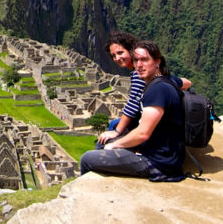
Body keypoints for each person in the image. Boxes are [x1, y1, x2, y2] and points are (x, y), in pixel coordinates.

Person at [79, 40, 185, 180]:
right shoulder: (163, 82)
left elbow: (142, 134)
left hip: (157, 162)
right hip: (161, 153)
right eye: (136, 61)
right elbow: (186, 82)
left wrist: (115, 144)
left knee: (87, 159)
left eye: (144, 60)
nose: (139, 65)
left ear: (157, 61)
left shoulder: (157, 90)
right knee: (104, 143)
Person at [96, 32, 190, 149]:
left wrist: (117, 132)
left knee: (103, 142)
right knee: (114, 123)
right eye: (113, 56)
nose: (117, 58)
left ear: (131, 50)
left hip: (155, 129)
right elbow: (186, 82)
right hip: (167, 125)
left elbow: (133, 105)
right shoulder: (158, 72)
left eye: (120, 53)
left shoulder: (140, 73)